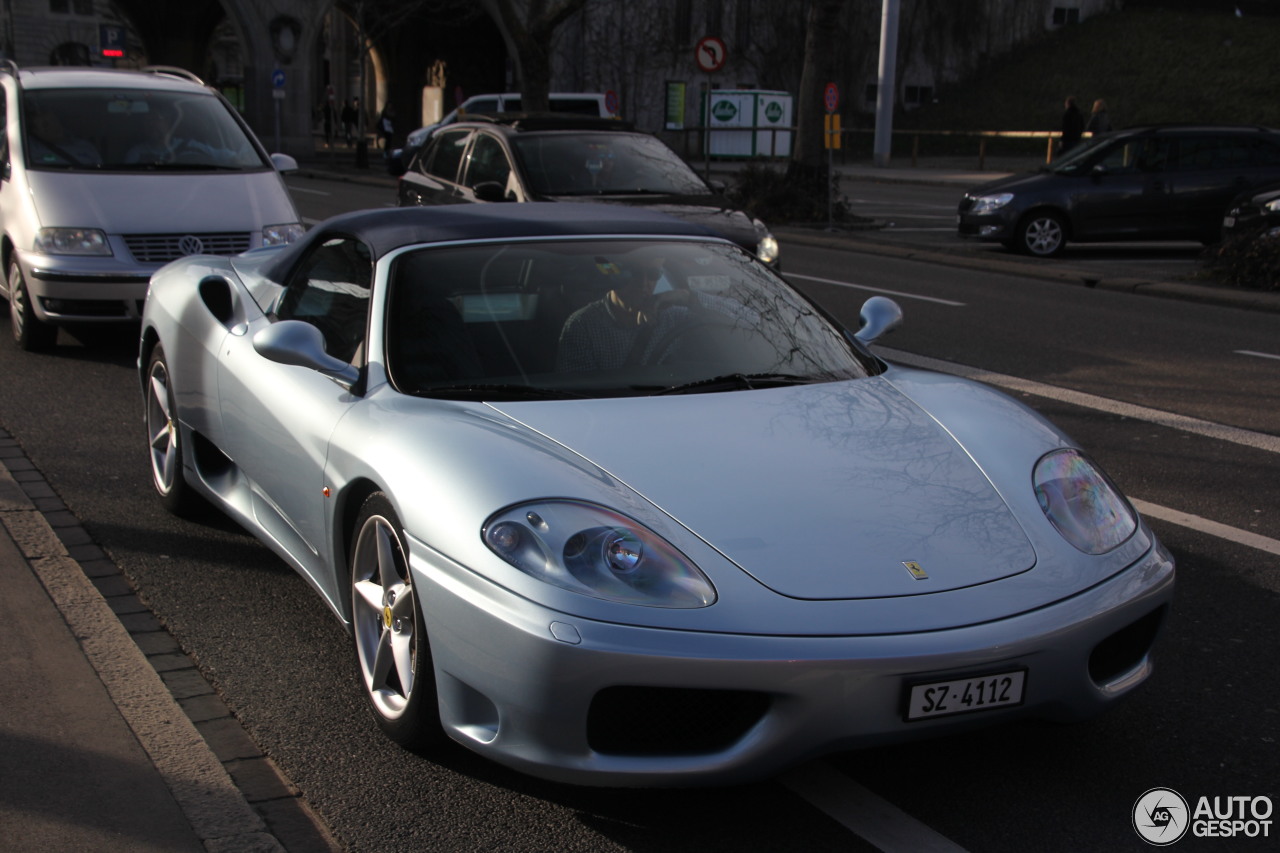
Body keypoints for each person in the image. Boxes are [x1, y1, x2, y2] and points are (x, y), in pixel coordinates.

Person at [26, 111, 101, 167]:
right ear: (35, 132)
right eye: (45, 126)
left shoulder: (85, 146)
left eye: (53, 121)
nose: (53, 126)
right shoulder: (31, 151)